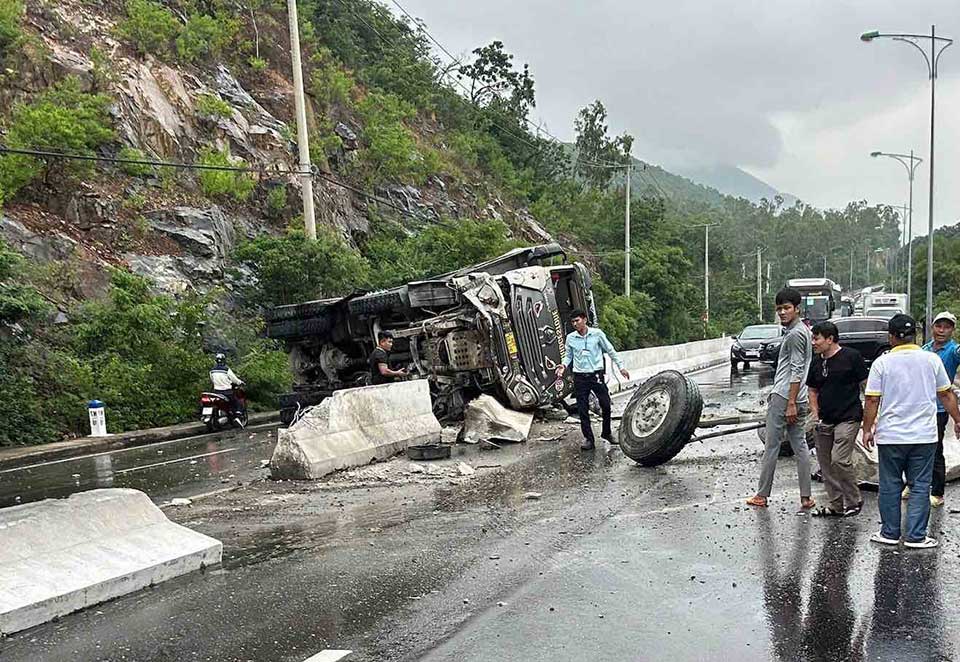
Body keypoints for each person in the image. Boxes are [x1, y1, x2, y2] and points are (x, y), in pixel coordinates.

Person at [862, 314, 960, 548]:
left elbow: (872, 400)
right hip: (924, 436)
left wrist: (867, 429)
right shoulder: (931, 360)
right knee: (919, 485)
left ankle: (890, 533)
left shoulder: (881, 363)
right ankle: (917, 536)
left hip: (891, 436)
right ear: (915, 335)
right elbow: (946, 394)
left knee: (890, 484)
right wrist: (958, 420)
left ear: (891, 336)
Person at [747, 288, 815, 510]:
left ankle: (762, 495)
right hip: (799, 396)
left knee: (772, 446)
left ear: (797, 308)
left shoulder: (795, 334)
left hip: (785, 397)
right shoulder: (802, 330)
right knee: (800, 445)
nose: (783, 313)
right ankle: (806, 497)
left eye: (787, 308)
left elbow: (795, 370)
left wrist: (791, 402)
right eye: (779, 309)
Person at [806, 321, 869, 517]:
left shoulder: (851, 357)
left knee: (839, 459)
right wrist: (815, 414)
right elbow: (813, 390)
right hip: (825, 419)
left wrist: (870, 416)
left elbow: (866, 385)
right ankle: (835, 505)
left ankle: (854, 499)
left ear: (830, 339)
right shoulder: (816, 362)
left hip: (849, 417)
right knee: (825, 464)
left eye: (816, 338)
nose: (813, 343)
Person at [555, 310, 630, 450]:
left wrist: (621, 367)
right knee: (582, 409)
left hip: (596, 375)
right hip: (580, 377)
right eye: (573, 322)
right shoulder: (571, 338)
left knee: (606, 405)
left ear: (584, 319)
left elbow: (610, 350)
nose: (575, 324)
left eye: (577, 320)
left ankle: (607, 432)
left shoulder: (597, 334)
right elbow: (568, 355)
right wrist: (563, 365)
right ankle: (588, 439)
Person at [922, 310, 960, 508]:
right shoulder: (925, 348)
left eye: (946, 327)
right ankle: (914, 484)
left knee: (935, 449)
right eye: (939, 326)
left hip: (939, 408)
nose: (942, 330)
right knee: (915, 447)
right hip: (920, 406)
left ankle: (937, 492)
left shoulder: (954, 350)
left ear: (952, 330)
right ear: (933, 327)